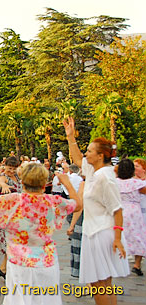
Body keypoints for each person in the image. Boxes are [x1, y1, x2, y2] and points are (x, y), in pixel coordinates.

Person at [0, 163, 81, 305]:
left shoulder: (13, 201)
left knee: (18, 300)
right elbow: (78, 205)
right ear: (45, 183)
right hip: (47, 261)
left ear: (22, 181)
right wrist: (67, 183)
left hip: (19, 262)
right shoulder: (52, 201)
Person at [64, 117, 128, 305]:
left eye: (90, 151)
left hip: (102, 233)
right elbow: (77, 159)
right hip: (94, 231)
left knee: (99, 283)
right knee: (104, 282)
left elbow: (117, 210)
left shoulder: (105, 177)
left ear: (101, 155)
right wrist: (71, 137)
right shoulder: (95, 172)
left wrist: (117, 238)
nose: (86, 153)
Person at [115, 158, 146, 276]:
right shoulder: (137, 183)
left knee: (120, 235)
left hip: (119, 209)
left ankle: (119, 262)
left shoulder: (114, 182)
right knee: (138, 236)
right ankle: (137, 264)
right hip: (134, 211)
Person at [0, 156, 21, 278]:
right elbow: (0, 182)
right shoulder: (4, 176)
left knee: (13, 244)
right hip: (7, 216)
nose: (12, 171)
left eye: (14, 169)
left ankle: (4, 268)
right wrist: (3, 186)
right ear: (5, 166)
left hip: (18, 215)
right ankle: (5, 269)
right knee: (11, 244)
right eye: (10, 168)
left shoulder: (19, 177)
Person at [134, 158, 146, 224]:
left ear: (144, 168)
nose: (134, 168)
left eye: (137, 166)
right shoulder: (131, 181)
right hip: (135, 213)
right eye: (133, 166)